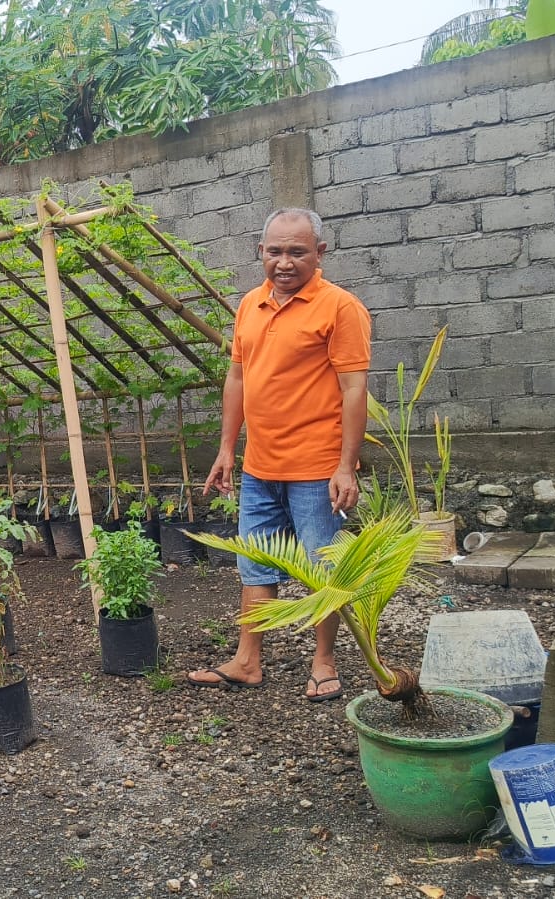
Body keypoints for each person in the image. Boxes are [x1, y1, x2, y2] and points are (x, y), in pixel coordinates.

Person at [186, 208, 371, 702]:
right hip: (260, 466)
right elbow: (238, 378)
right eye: (275, 251)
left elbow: (355, 390)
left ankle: (324, 662)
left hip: (317, 469)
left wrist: (345, 466)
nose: (284, 262)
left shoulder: (340, 308)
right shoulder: (250, 304)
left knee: (322, 570)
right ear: (260, 251)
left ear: (320, 253)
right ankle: (247, 661)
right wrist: (228, 448)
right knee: (256, 566)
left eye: (297, 251)